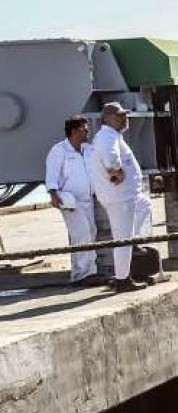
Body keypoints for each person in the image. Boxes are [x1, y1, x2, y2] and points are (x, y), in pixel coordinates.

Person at [89, 102, 152, 292]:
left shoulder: (112, 135)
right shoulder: (107, 137)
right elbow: (111, 160)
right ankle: (122, 280)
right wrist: (116, 171)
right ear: (108, 118)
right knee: (122, 240)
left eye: (125, 115)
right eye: (120, 115)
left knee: (144, 205)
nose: (125, 118)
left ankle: (133, 242)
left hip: (127, 196)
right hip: (119, 197)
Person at [44, 115, 101, 287]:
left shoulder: (88, 149)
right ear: (74, 131)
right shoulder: (59, 150)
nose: (88, 132)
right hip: (69, 201)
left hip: (88, 200)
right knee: (81, 234)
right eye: (85, 129)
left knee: (91, 233)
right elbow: (51, 175)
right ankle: (81, 274)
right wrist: (53, 195)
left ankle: (90, 271)